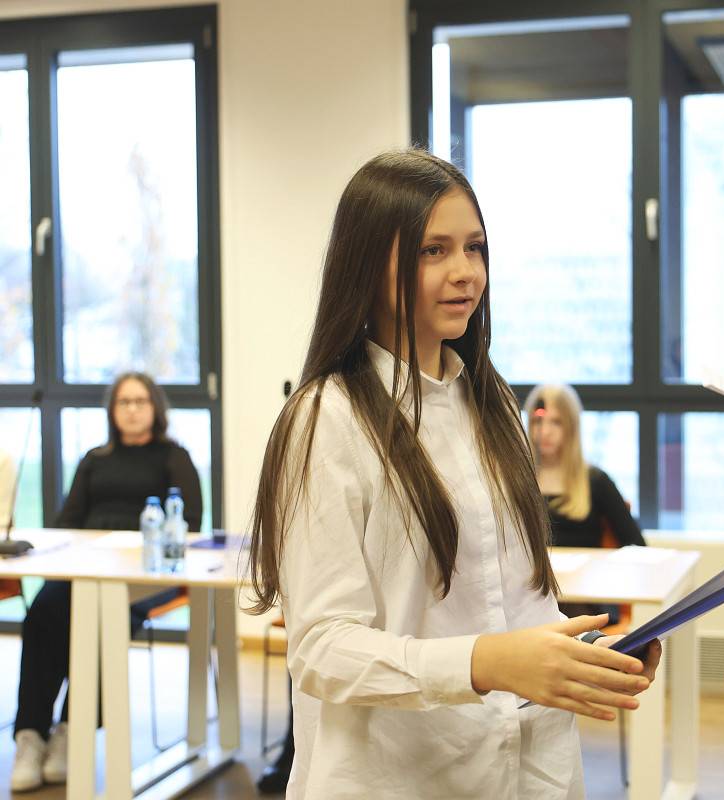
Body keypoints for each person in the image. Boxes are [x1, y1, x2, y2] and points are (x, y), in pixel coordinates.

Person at [246, 149, 661, 800]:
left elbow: (518, 601)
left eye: (475, 248)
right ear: (368, 265)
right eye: (433, 251)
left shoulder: (491, 404)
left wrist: (586, 655)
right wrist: (484, 662)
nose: (466, 272)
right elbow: (322, 649)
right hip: (395, 776)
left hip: (531, 766)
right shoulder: (327, 419)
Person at [10, 372, 202, 793]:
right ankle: (30, 735)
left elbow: (190, 523)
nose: (132, 410)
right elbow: (67, 520)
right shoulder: (94, 459)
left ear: (155, 407)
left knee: (102, 621)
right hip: (87, 565)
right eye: (123, 402)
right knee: (43, 613)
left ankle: (71, 729)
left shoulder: (174, 457)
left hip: (147, 572)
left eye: (140, 401)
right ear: (112, 410)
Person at [524, 384, 645, 550]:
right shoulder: (517, 481)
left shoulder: (596, 481)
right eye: (538, 421)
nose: (545, 431)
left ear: (572, 427)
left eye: (556, 422)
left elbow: (637, 546)